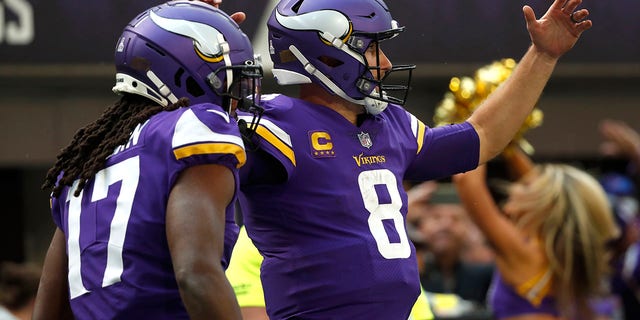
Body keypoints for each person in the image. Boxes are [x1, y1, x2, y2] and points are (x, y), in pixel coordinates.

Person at [236, 0, 593, 318]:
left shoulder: (390, 124)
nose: (386, 64)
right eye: (372, 49)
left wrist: (543, 56)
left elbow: (482, 137)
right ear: (326, 54)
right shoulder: (271, 127)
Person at [32, 1, 263, 319]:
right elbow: (195, 276)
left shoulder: (82, 165)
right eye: (231, 80)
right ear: (187, 75)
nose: (239, 97)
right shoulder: (193, 126)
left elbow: (47, 311)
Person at [452, 145, 619, 319]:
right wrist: (507, 141)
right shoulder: (555, 250)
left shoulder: (525, 251)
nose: (514, 187)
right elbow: (538, 184)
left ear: (543, 204)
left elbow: (467, 182)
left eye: (525, 186)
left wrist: (480, 134)